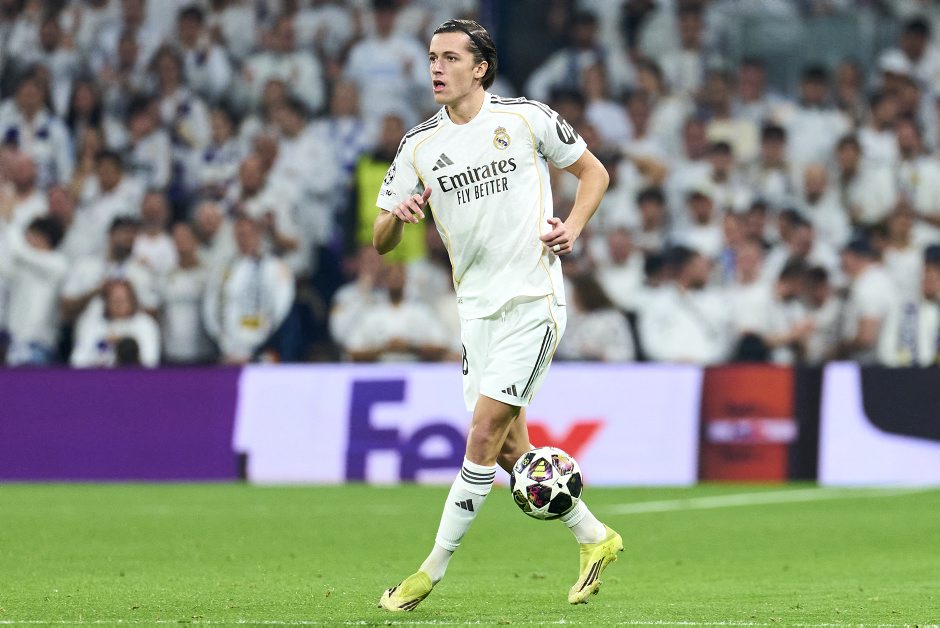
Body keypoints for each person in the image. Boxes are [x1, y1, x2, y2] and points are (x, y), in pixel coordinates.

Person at [371, 19, 619, 611]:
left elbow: (594, 172)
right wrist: (398, 218)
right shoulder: (418, 146)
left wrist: (573, 227)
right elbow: (379, 239)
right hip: (476, 312)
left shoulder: (526, 118)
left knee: (482, 434)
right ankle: (595, 537)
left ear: (480, 68)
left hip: (533, 300)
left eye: (451, 58)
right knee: (509, 450)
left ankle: (429, 571)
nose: (437, 68)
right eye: (432, 58)